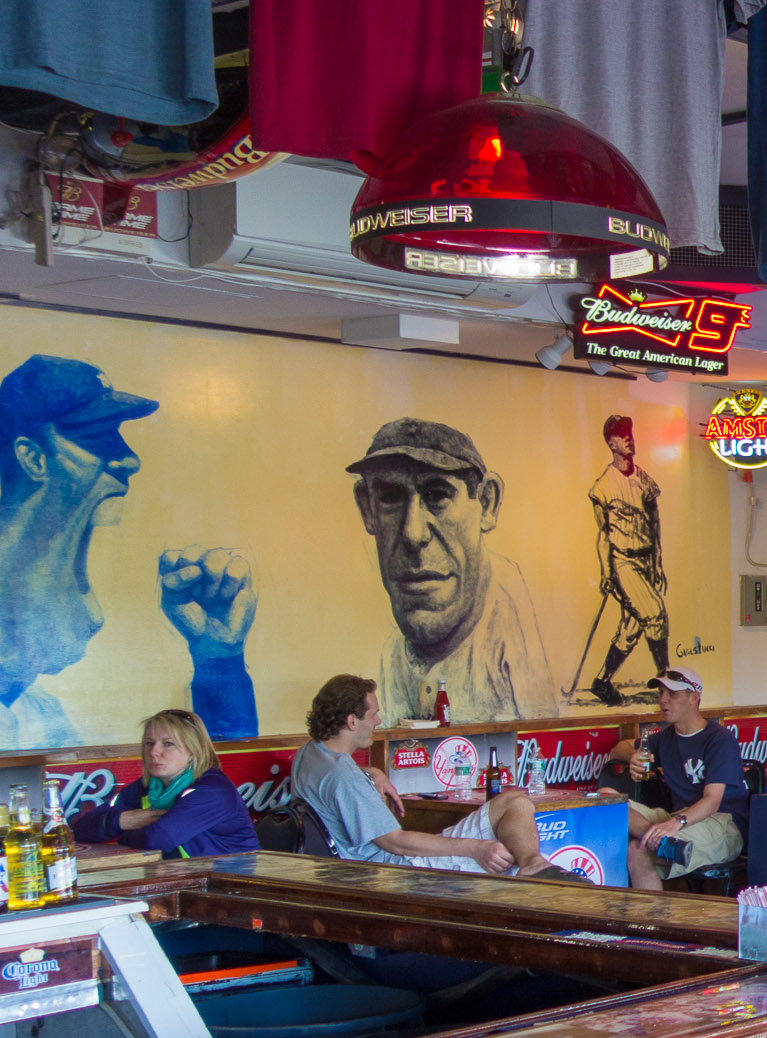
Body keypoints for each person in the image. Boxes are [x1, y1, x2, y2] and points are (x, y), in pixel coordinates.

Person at [0, 355, 259, 746]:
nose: (129, 459)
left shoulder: (37, 713)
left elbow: (215, 778)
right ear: (33, 457)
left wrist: (219, 659)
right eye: (96, 436)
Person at [348, 418, 559, 725]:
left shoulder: (508, 611)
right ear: (367, 509)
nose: (413, 533)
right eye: (390, 498)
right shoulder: (393, 652)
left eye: (438, 496)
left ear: (486, 504)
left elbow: (542, 736)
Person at [292, 673, 574, 878]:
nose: (378, 721)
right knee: (506, 843)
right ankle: (532, 868)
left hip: (360, 866)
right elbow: (395, 842)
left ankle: (533, 865)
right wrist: (475, 848)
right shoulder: (346, 779)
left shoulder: (310, 753)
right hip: (394, 871)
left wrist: (373, 771)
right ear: (352, 721)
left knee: (513, 802)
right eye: (374, 714)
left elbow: (333, 781)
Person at [617, 667, 748, 890]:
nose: (663, 700)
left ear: (694, 697)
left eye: (672, 694)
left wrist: (675, 824)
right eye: (661, 693)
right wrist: (633, 756)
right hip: (679, 818)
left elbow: (712, 801)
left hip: (721, 822)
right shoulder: (665, 738)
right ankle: (665, 842)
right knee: (606, 800)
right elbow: (618, 748)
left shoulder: (719, 739)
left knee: (637, 850)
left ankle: (662, 841)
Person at [70, 708, 256, 859]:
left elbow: (159, 838)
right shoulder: (147, 787)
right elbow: (80, 830)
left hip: (233, 882)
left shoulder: (212, 790)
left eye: (168, 744)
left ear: (193, 751)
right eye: (149, 743)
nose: (154, 752)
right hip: (184, 878)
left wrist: (124, 835)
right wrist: (122, 820)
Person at [584, 414, 670, 707]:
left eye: (629, 433)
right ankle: (665, 679)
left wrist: (657, 563)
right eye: (622, 435)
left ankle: (601, 681)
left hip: (645, 559)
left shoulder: (645, 480)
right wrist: (606, 572)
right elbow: (603, 535)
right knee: (655, 614)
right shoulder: (603, 486)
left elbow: (654, 524)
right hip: (623, 562)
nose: (629, 439)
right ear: (611, 443)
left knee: (631, 628)